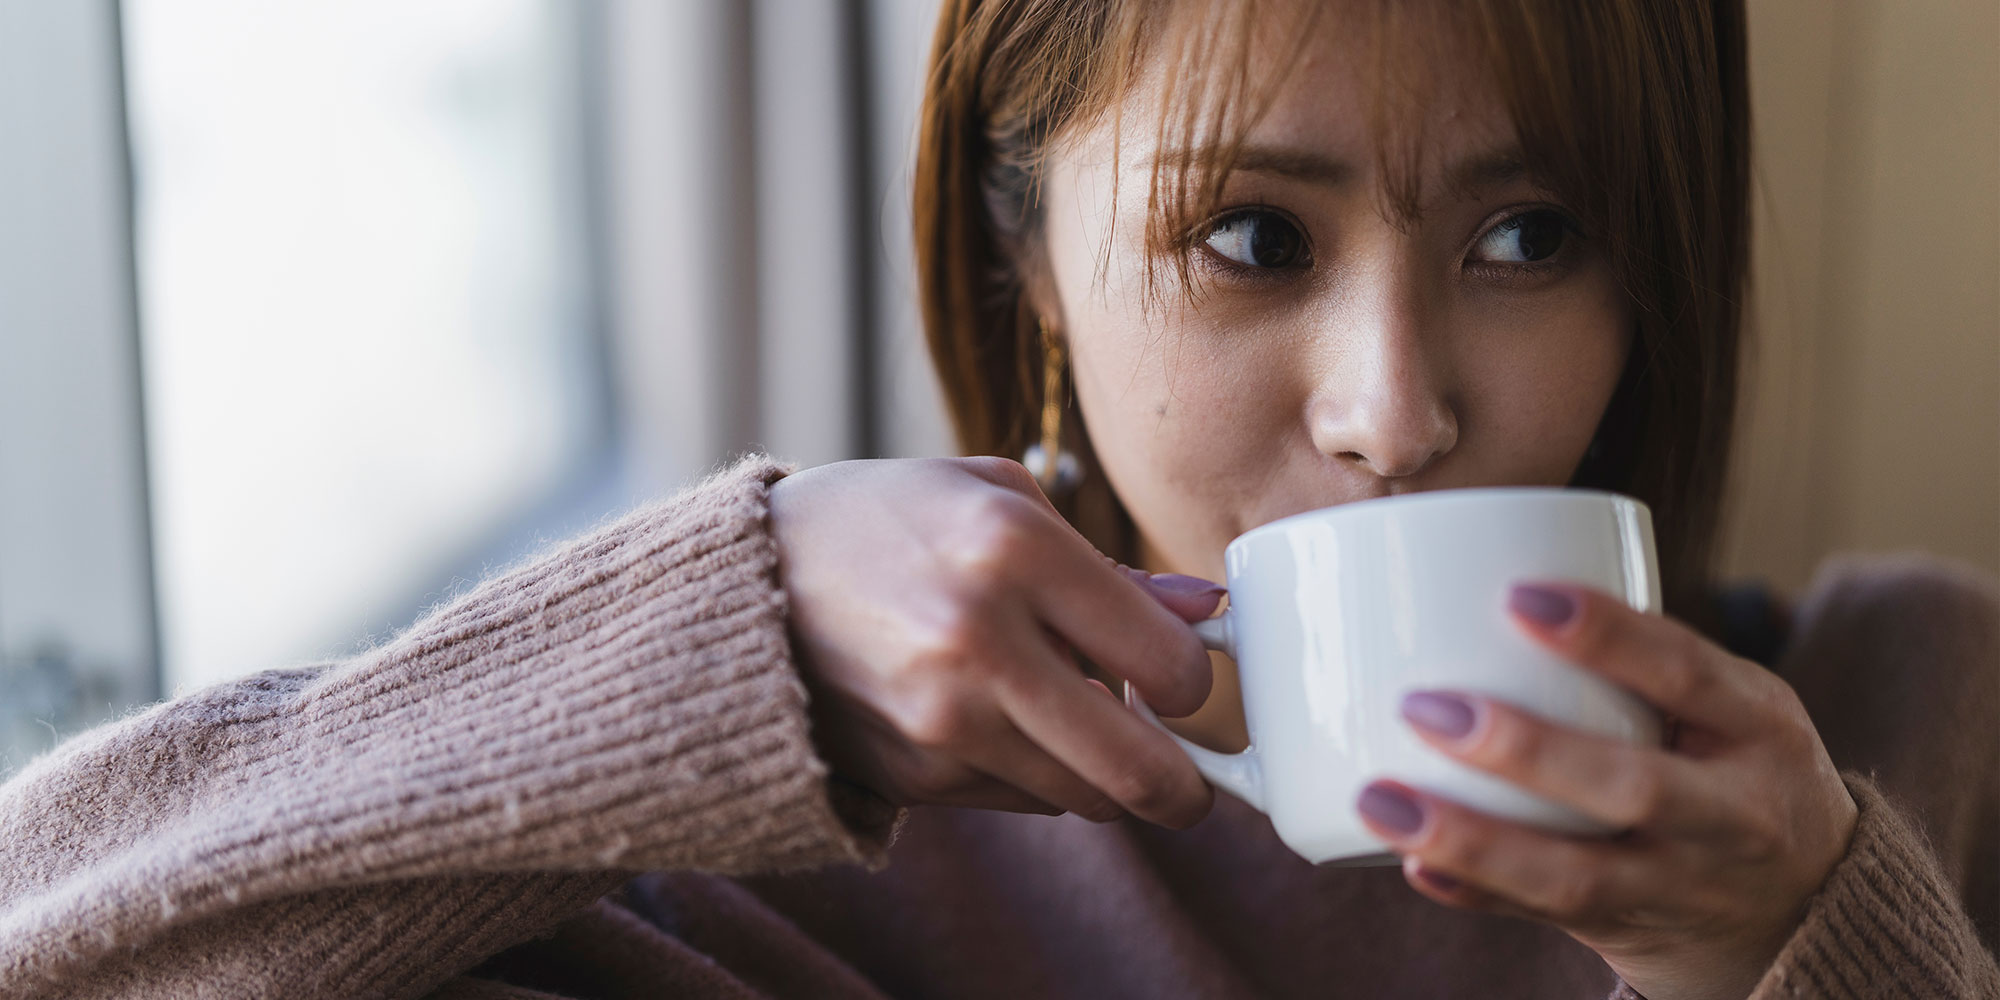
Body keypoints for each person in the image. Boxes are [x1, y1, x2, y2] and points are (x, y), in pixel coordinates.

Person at [2, 0, 1994, 997]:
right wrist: (722, 644)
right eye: (1247, 236)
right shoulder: (779, 867)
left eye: (1532, 230)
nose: (1396, 409)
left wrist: (1815, 948)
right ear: (1023, 264)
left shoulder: (1924, 729)